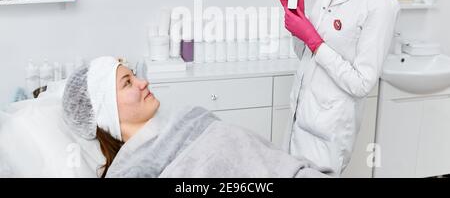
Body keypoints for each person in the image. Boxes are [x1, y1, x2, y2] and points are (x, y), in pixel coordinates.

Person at [278, 0, 400, 175]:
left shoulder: (380, 3)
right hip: (298, 120)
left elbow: (361, 83)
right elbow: (306, 54)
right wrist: (298, 24)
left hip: (328, 133)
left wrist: (314, 40)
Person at [62, 56, 332, 178]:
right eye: (127, 83)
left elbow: (253, 154)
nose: (143, 83)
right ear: (106, 112)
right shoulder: (131, 172)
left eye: (134, 76)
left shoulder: (188, 118)